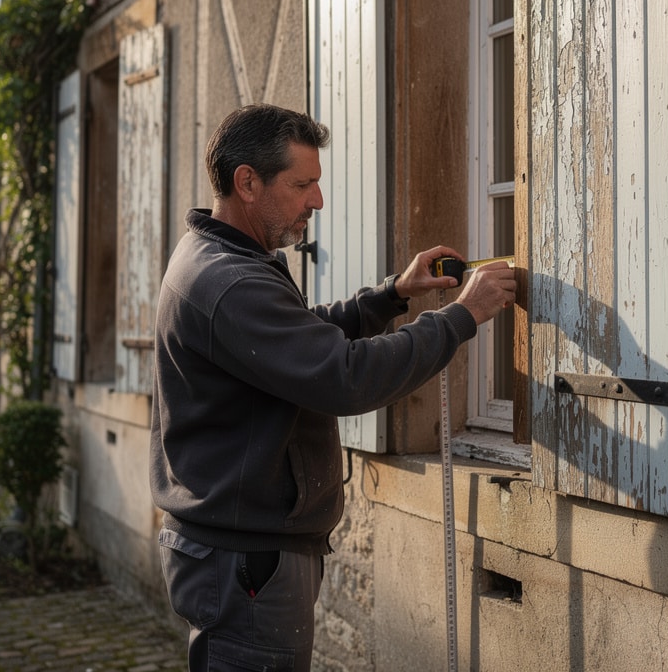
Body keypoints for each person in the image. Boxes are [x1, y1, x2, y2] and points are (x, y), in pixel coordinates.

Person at [151, 103, 516, 671]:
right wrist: (460, 317)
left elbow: (294, 342)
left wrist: (392, 294)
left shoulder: (222, 257)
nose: (316, 201)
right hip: (245, 562)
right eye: (303, 185)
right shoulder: (230, 281)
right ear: (247, 182)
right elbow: (344, 377)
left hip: (235, 553)